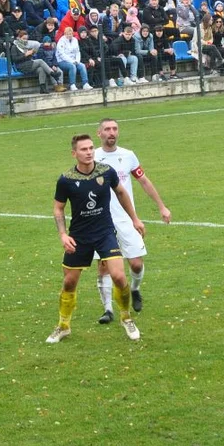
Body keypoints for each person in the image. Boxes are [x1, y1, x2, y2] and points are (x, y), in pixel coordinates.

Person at [48, 134, 146, 343]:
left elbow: (121, 193)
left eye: (91, 148)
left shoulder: (106, 172)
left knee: (119, 277)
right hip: (79, 237)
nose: (89, 152)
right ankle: (63, 326)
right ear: (74, 153)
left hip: (105, 234)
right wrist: (63, 234)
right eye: (84, 149)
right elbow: (58, 207)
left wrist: (135, 219)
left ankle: (126, 318)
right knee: (69, 283)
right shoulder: (66, 179)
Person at [93, 118, 172, 323]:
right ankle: (108, 309)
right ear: (99, 133)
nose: (112, 132)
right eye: (107, 129)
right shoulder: (92, 158)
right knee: (104, 265)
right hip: (101, 221)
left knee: (136, 264)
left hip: (127, 219)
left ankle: (135, 289)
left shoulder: (128, 156)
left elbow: (143, 180)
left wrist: (161, 206)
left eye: (115, 129)